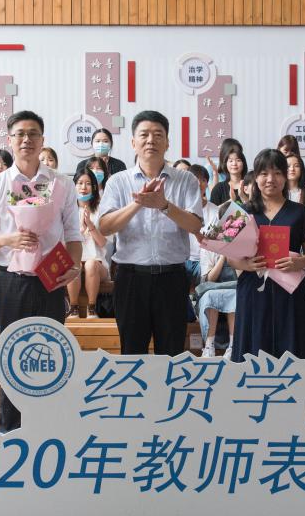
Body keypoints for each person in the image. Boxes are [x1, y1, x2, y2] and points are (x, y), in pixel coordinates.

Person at [0, 111, 83, 432]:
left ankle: (49, 431)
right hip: (12, 281)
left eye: (33, 134)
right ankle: (10, 433)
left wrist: (75, 266)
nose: (27, 140)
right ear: (9, 140)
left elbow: (73, 235)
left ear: (42, 140)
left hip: (51, 279)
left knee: (51, 356)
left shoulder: (61, 183)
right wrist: (10, 239)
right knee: (12, 357)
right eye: (20, 134)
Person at [99, 110, 205, 355]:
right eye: (144, 135)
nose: (151, 140)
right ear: (133, 142)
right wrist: (139, 203)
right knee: (132, 353)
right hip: (131, 279)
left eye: (158, 135)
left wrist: (164, 205)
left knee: (172, 354)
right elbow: (105, 227)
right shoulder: (118, 181)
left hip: (172, 279)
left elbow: (195, 226)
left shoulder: (186, 180)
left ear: (167, 142)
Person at [227, 149, 305, 360]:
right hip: (253, 290)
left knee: (293, 350)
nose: (271, 179)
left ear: (285, 176)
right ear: (255, 177)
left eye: (277, 173)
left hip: (291, 291)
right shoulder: (243, 212)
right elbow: (231, 258)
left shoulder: (300, 211)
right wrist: (247, 265)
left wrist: (300, 262)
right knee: (253, 351)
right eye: (264, 173)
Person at [68, 169, 111, 319]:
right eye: (80, 183)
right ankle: (73, 308)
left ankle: (91, 308)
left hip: (98, 264)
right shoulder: (68, 211)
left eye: (88, 183)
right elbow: (63, 244)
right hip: (75, 262)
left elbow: (103, 242)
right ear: (73, 186)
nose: (83, 187)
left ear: (94, 187)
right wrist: (80, 229)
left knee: (91, 264)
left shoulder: (101, 210)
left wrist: (90, 225)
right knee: (74, 265)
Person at [196, 242, 237, 357]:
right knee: (210, 297)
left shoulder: (240, 246)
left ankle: (233, 345)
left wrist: (233, 256)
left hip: (235, 287)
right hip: (212, 288)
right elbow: (210, 279)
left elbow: (241, 276)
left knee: (234, 297)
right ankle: (209, 345)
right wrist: (223, 256)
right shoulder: (207, 247)